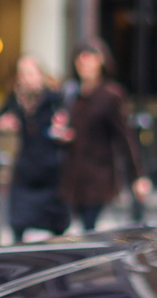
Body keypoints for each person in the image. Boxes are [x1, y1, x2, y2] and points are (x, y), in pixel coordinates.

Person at [58, 44, 150, 232]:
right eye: (81, 63)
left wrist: (137, 176)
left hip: (99, 174)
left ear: (101, 63)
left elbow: (124, 137)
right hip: (74, 173)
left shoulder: (110, 96)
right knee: (79, 225)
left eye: (90, 62)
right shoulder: (72, 94)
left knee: (89, 226)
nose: (86, 67)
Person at [0, 56, 71, 241]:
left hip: (50, 169)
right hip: (25, 169)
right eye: (22, 73)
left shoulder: (55, 98)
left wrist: (64, 131)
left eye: (30, 72)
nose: (27, 77)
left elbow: (70, 126)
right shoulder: (15, 99)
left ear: (41, 74)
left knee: (56, 225)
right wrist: (2, 125)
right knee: (18, 221)